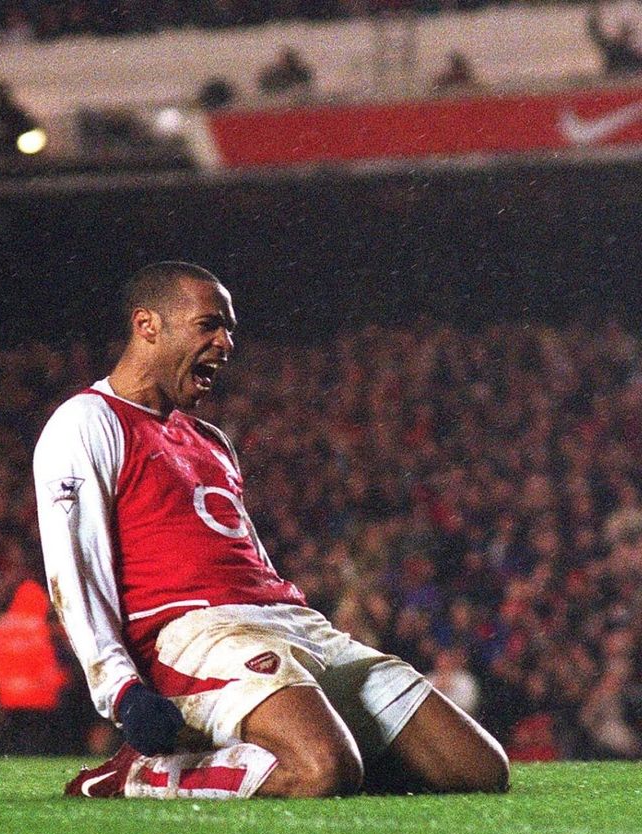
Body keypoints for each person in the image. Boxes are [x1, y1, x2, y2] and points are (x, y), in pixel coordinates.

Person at [34, 261, 509, 800]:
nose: (226, 342)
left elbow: (240, 553)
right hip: (197, 634)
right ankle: (139, 775)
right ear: (148, 325)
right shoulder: (85, 423)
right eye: (209, 325)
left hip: (293, 625)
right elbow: (75, 574)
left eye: (229, 328)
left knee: (477, 771)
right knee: (321, 771)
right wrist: (121, 691)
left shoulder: (210, 438)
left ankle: (275, 751)